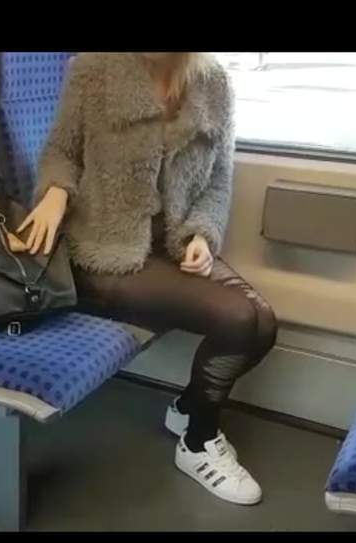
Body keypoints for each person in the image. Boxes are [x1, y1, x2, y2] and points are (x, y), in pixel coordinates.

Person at [18, 52, 277, 505]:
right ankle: (198, 443)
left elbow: (219, 180)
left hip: (170, 245)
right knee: (238, 319)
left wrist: (202, 234)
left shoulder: (214, 83)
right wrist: (55, 194)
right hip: (103, 248)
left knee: (265, 323)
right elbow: (61, 151)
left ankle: (189, 408)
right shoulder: (93, 69)